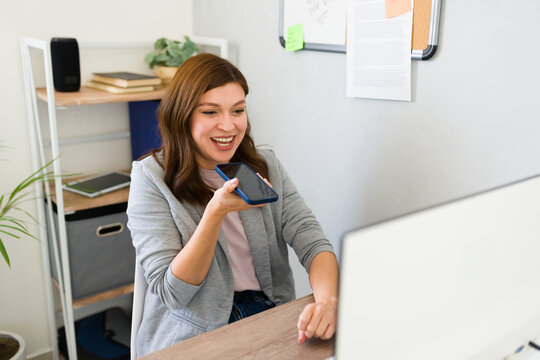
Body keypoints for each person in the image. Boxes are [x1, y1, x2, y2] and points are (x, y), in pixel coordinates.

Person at [127, 53, 339, 357]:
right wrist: (216, 212)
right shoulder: (151, 178)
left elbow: (312, 240)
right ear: (182, 116)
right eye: (211, 112)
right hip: (194, 332)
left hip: (268, 313)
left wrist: (329, 302)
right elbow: (173, 293)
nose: (228, 126)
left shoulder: (266, 165)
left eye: (237, 110)